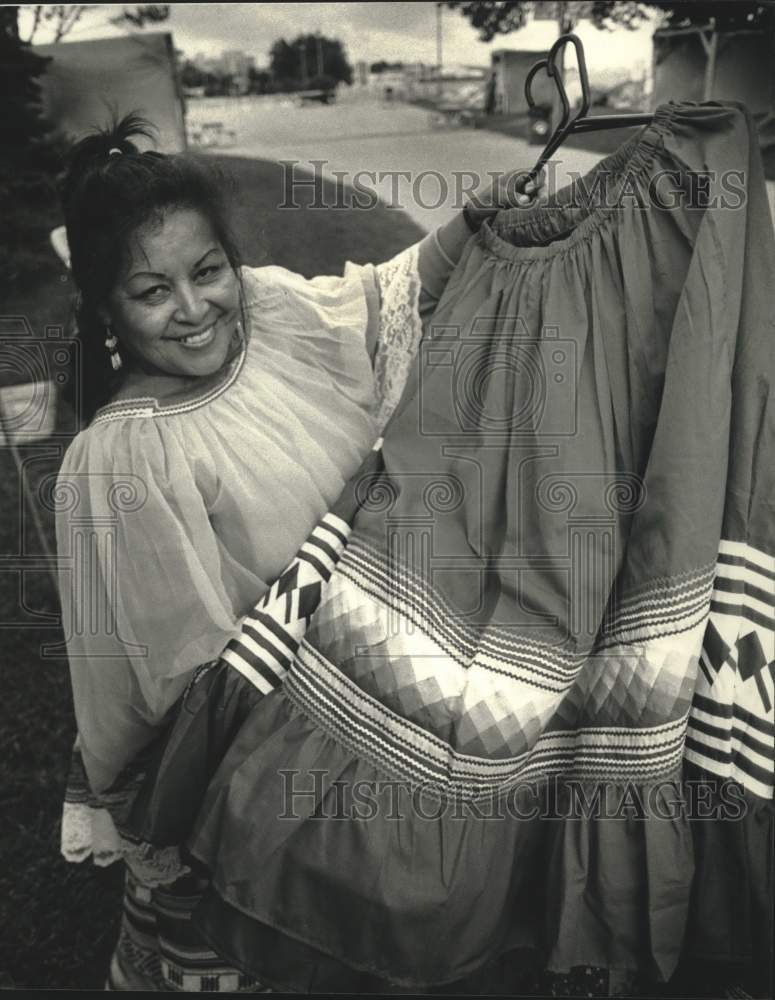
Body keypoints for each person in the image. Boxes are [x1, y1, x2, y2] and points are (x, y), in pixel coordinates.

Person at [53, 112, 544, 991]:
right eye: (152, 290)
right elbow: (180, 677)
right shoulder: (127, 457)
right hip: (262, 750)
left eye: (207, 272)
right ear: (105, 308)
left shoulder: (271, 316)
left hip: (357, 693)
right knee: (251, 938)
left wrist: (470, 224)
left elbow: (375, 297)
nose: (195, 308)